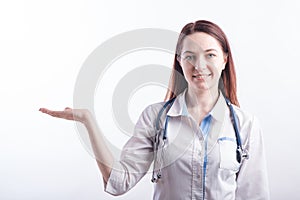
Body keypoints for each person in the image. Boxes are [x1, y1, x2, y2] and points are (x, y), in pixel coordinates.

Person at [39, 20, 270, 199]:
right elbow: (118, 182)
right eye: (190, 56)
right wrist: (88, 120)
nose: (199, 66)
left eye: (210, 55)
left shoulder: (245, 124)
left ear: (225, 60)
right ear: (179, 61)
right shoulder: (155, 118)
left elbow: (255, 197)